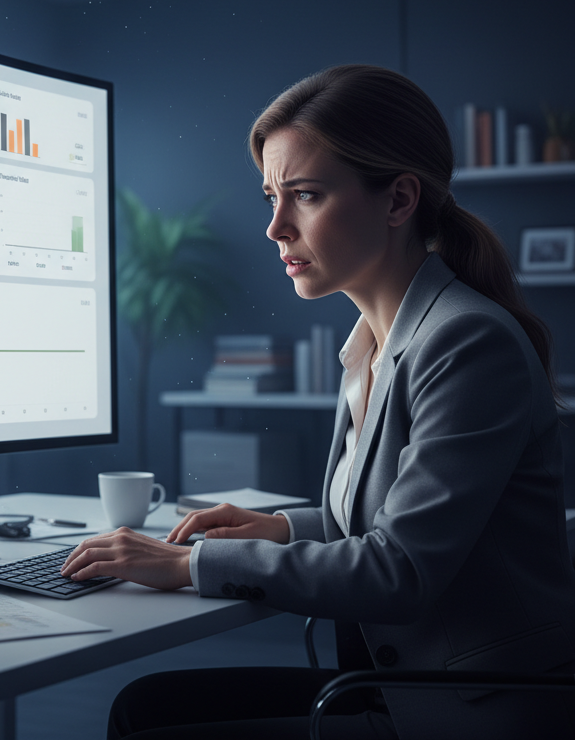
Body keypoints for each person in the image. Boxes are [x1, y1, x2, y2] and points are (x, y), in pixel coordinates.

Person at [61, 66, 575, 739]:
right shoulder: (372, 341)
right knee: (143, 706)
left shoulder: (467, 343)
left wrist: (188, 564)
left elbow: (400, 569)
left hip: (465, 707)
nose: (276, 227)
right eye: (271, 196)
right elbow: (391, 521)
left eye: (304, 196)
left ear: (397, 201)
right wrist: (281, 528)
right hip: (400, 683)